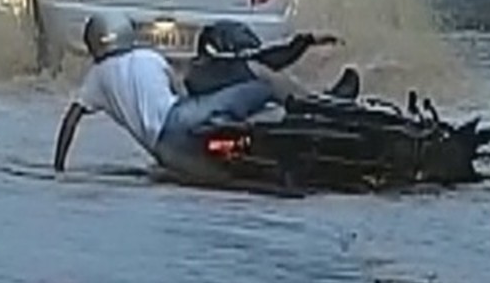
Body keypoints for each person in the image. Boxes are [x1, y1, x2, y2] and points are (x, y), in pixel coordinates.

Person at [53, 12, 347, 183]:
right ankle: (324, 107)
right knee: (267, 87)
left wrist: (59, 168)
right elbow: (179, 91)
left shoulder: (96, 77)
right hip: (181, 118)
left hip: (168, 154)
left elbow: (71, 119)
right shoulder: (148, 57)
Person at [184, 19, 360, 100]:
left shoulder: (194, 75)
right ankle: (320, 102)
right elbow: (269, 57)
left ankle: (316, 100)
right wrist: (307, 40)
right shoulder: (230, 67)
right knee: (261, 72)